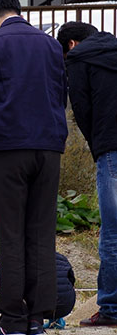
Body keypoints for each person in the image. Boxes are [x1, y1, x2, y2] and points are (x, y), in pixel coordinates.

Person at [0, 0, 68, 335]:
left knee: (10, 232)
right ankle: (38, 318)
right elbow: (59, 92)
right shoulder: (51, 45)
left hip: (7, 146)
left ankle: (11, 320)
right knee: (41, 232)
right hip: (48, 146)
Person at [57, 21, 117, 327]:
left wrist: (98, 144)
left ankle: (111, 307)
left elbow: (81, 109)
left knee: (112, 233)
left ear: (70, 45)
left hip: (111, 147)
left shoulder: (80, 60)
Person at [43, 252, 76, 329]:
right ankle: (57, 320)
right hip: (66, 307)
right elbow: (72, 280)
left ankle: (34, 323)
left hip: (40, 309)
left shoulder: (29, 257)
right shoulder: (62, 258)